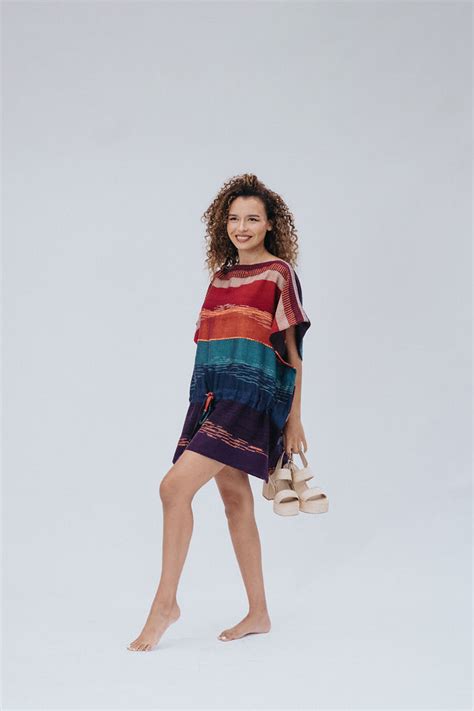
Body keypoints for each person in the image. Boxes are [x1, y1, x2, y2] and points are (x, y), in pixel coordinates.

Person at [127, 173, 311, 652]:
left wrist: (293, 419)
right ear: (222, 224)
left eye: (252, 218)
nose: (241, 227)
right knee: (234, 499)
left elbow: (292, 353)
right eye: (233, 218)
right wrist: (200, 403)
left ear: (269, 224)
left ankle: (165, 604)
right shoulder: (222, 276)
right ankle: (259, 612)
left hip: (248, 400)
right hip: (212, 398)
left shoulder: (279, 274)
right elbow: (212, 343)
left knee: (173, 488)